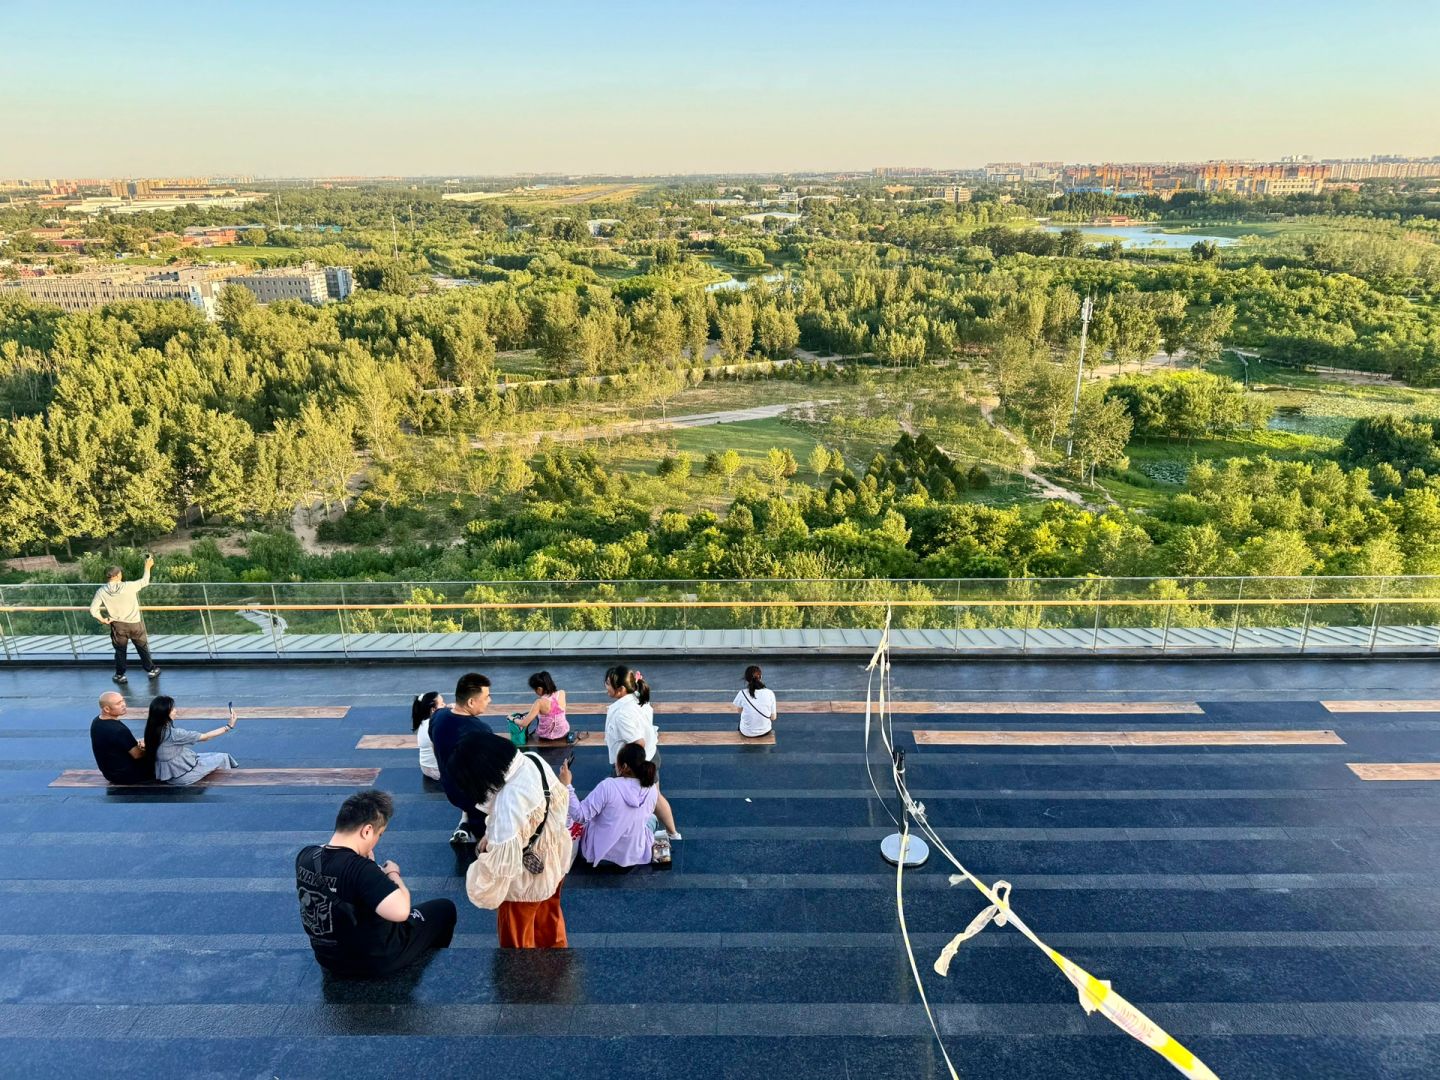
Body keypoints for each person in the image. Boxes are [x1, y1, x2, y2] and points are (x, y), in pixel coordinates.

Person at [296, 789, 457, 977]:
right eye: (379, 834)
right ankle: (418, 972)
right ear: (367, 831)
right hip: (375, 960)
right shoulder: (361, 869)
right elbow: (400, 911)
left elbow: (341, 880)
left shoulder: (306, 856)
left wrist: (368, 865)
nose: (376, 841)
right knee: (444, 909)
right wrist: (393, 874)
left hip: (328, 958)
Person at [450, 731, 571, 948]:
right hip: (554, 862)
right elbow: (557, 806)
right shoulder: (533, 760)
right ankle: (555, 966)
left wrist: (480, 864)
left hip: (523, 884)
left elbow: (501, 865)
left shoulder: (509, 800)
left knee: (518, 943)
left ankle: (521, 979)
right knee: (549, 918)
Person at [603, 665, 681, 840]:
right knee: (655, 798)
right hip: (651, 756)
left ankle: (631, 839)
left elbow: (638, 743)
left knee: (626, 803)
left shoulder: (623, 713)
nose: (605, 687)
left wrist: (625, 770)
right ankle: (672, 834)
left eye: (608, 684)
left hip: (634, 764)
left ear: (621, 689)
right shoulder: (638, 698)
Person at [562, 742, 661, 869]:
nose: (615, 765)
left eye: (616, 762)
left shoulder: (608, 786)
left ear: (624, 766)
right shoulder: (651, 789)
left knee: (575, 818)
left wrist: (567, 785)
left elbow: (580, 815)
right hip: (634, 855)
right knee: (652, 819)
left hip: (600, 855)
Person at [429, 673, 497, 845]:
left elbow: (432, 742)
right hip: (472, 795)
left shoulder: (439, 716)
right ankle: (478, 837)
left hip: (449, 786)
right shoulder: (480, 730)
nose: (490, 700)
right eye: (486, 697)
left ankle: (465, 822)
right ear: (471, 702)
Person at [89, 556, 160, 685]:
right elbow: (145, 581)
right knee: (142, 647)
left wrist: (103, 620)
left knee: (120, 651)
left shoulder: (101, 591)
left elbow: (93, 610)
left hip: (118, 625)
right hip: (135, 624)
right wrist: (147, 567)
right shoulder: (129, 586)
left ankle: (120, 675)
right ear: (117, 575)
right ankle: (151, 670)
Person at [143, 695, 239, 786]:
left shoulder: (151, 729)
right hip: (183, 776)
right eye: (172, 709)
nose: (175, 711)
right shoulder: (174, 734)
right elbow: (205, 737)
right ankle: (228, 782)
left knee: (211, 756)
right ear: (164, 714)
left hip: (170, 774)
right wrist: (229, 726)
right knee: (223, 757)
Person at [89, 691, 151, 784]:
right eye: (118, 703)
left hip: (110, 772)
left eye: (123, 701)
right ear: (106, 709)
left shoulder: (97, 721)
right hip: (127, 775)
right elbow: (138, 755)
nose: (124, 705)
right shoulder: (119, 730)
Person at [514, 671, 575, 744]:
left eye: (535, 690)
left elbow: (524, 723)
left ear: (539, 689)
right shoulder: (562, 693)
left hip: (546, 736)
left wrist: (513, 719)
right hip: (563, 732)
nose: (535, 692)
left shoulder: (539, 702)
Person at [734, 664, 777, 738]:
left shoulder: (742, 693)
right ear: (760, 677)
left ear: (746, 679)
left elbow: (739, 711)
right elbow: (773, 717)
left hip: (746, 732)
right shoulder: (770, 693)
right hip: (765, 731)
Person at [412, 691, 445, 781]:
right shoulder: (435, 725)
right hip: (435, 770)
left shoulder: (425, 721)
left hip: (426, 766)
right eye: (442, 704)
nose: (445, 705)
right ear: (433, 709)